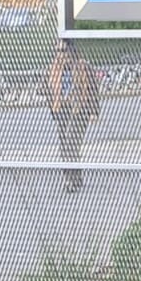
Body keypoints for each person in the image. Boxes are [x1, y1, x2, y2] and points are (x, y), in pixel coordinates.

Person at [47, 39, 99, 191]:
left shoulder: (82, 66)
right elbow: (49, 89)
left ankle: (71, 180)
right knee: (64, 146)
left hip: (79, 108)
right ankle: (74, 177)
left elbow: (93, 89)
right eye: (57, 51)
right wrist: (53, 107)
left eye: (63, 51)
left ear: (71, 51)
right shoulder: (55, 68)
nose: (60, 54)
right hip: (62, 109)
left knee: (71, 143)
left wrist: (94, 111)